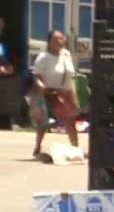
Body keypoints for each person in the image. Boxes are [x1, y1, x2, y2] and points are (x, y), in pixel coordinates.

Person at [30, 30, 80, 160]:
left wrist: (74, 96)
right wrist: (43, 88)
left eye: (61, 39)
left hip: (64, 92)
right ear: (49, 42)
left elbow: (71, 77)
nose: (59, 42)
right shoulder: (43, 57)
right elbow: (37, 77)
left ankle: (75, 148)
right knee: (43, 123)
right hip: (47, 92)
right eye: (55, 39)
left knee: (70, 121)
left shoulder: (66, 54)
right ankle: (37, 146)